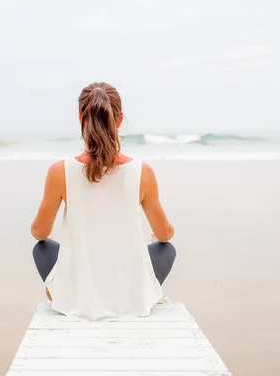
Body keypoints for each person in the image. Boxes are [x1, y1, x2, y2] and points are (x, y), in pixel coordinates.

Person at [30, 82, 176, 321]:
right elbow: (165, 234)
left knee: (43, 248)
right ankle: (138, 296)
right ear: (119, 120)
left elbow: (39, 232)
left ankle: (63, 294)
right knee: (165, 250)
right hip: (129, 301)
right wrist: (158, 236)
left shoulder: (59, 172)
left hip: (78, 299)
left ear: (80, 118)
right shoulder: (143, 172)